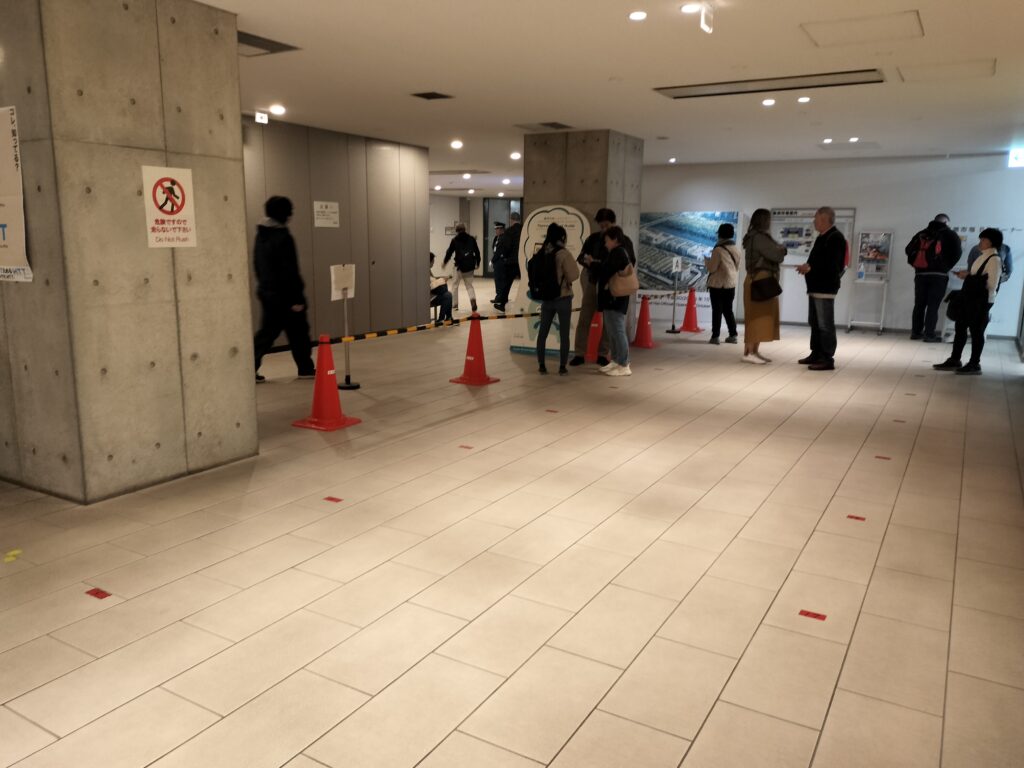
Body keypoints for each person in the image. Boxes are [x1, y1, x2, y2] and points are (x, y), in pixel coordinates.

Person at [253, 195, 315, 382]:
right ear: (283, 213)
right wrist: (296, 299)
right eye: (290, 211)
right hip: (286, 297)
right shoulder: (282, 236)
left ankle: (248, 369)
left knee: (266, 334)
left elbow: (258, 265)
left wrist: (266, 289)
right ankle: (305, 369)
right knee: (299, 333)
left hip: (268, 293)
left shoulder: (261, 235)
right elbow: (289, 271)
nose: (291, 215)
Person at [934, 228, 1004, 376]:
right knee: (960, 327)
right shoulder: (983, 256)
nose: (980, 242)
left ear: (991, 242)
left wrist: (968, 276)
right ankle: (955, 359)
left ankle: (974, 363)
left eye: (983, 240)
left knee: (976, 332)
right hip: (972, 298)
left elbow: (991, 284)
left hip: (982, 301)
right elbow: (979, 277)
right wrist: (967, 275)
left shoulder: (994, 259)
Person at [570, 208, 634, 367]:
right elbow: (581, 257)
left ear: (613, 223)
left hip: (613, 285)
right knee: (585, 317)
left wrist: (598, 264)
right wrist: (588, 262)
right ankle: (579, 353)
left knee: (610, 322)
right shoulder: (593, 239)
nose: (604, 229)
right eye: (602, 225)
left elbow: (630, 262)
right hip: (593, 282)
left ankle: (603, 353)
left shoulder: (624, 241)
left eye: (607, 225)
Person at [796, 207, 847, 371]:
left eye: (816, 219)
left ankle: (827, 357)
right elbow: (816, 260)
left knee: (825, 324)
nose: (813, 222)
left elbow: (832, 265)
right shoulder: (822, 237)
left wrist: (810, 269)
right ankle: (816, 353)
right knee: (815, 322)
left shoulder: (835, 238)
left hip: (825, 287)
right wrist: (807, 266)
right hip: (815, 287)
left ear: (825, 220)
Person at [531, 223, 580, 375]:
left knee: (543, 333)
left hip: (546, 299)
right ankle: (562, 367)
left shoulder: (542, 252)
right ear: (562, 237)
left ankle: (541, 365)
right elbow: (574, 275)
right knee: (564, 334)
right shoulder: (564, 253)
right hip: (563, 298)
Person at [586, 225, 635, 376]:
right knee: (612, 331)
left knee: (618, 330)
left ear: (615, 240)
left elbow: (607, 270)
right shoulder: (614, 252)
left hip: (616, 298)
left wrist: (593, 263)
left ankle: (624, 363)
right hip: (611, 298)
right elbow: (606, 267)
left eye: (607, 240)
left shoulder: (619, 252)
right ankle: (615, 360)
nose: (605, 244)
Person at [905, 213, 962, 342]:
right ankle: (929, 334)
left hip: (920, 274)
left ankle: (915, 333)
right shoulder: (950, 234)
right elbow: (957, 252)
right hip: (939, 275)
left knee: (919, 304)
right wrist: (945, 266)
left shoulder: (921, 233)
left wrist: (917, 265)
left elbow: (908, 250)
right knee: (933, 305)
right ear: (946, 222)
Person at [741, 209, 786, 364]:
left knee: (760, 316)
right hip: (760, 280)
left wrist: (779, 249)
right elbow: (776, 255)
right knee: (756, 317)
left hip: (759, 280)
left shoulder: (753, 237)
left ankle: (754, 351)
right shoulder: (759, 238)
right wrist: (781, 249)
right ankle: (748, 353)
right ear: (764, 221)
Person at [704, 223, 741, 345]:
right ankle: (733, 335)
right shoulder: (736, 249)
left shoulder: (718, 249)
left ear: (720, 234)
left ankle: (715, 337)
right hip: (731, 284)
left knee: (717, 310)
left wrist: (706, 260)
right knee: (728, 310)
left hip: (718, 285)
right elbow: (736, 266)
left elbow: (712, 268)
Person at [443, 223, 481, 313]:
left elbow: (449, 252)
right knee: (469, 286)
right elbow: (477, 252)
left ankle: (455, 305)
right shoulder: (472, 239)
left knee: (455, 285)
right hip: (469, 266)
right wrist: (478, 262)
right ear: (465, 229)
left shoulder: (455, 240)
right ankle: (473, 301)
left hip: (459, 267)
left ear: (457, 231)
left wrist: (444, 262)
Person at [491, 222, 513, 312]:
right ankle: (499, 296)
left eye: (497, 229)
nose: (496, 231)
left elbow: (505, 249)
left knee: (501, 280)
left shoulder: (505, 238)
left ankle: (501, 297)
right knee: (497, 280)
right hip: (497, 261)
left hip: (502, 262)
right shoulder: (497, 238)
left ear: (501, 229)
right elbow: (494, 249)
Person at [429, 252, 453, 322]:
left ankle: (445, 317)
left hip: (433, 293)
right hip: (430, 296)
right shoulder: (425, 271)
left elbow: (433, 278)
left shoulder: (428, 269)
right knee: (448, 295)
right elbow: (431, 283)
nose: (433, 264)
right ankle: (444, 317)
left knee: (448, 294)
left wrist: (441, 278)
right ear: (429, 261)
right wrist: (441, 280)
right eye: (433, 262)